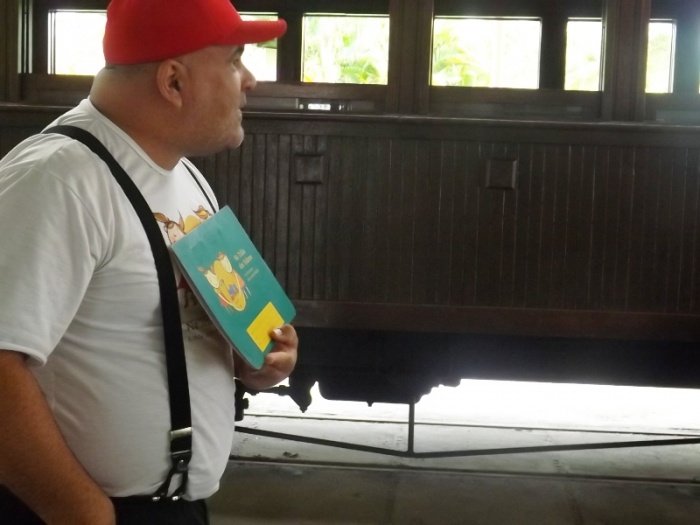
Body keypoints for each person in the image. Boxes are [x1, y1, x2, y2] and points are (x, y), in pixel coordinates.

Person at [0, 0, 297, 523]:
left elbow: (185, 321)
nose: (249, 80)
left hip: (173, 507)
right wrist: (84, 513)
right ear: (173, 82)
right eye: (234, 60)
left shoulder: (182, 174)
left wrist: (256, 357)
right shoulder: (58, 179)